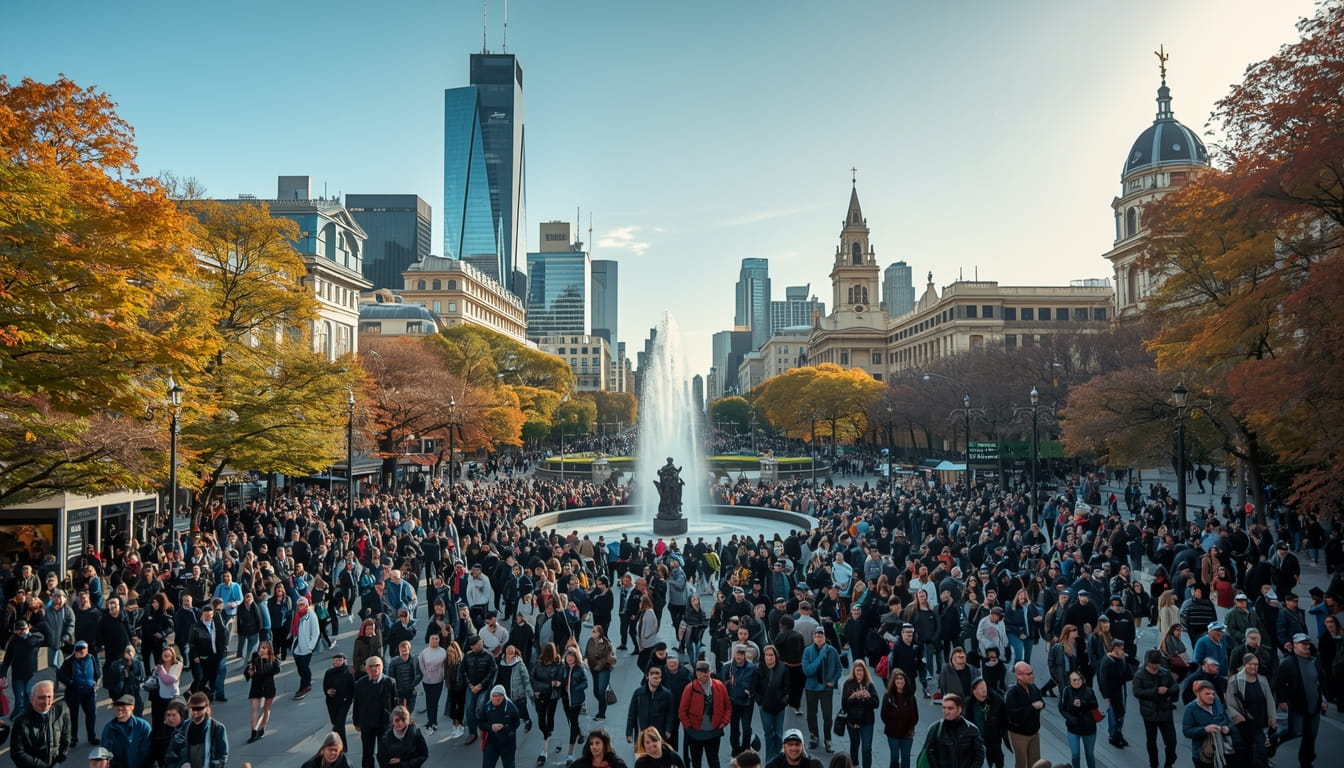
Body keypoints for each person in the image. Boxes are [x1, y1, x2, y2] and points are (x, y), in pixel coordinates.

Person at [1272, 632, 1327, 768]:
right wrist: (1282, 700)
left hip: (1315, 704)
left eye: (1307, 644)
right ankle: (1273, 740)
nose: (1306, 646)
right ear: (1294, 645)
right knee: (1295, 731)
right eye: (1303, 644)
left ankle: (1306, 760)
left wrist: (1324, 700)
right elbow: (1278, 683)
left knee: (1311, 734)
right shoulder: (1287, 663)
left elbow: (1319, 682)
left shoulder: (1314, 661)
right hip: (1297, 704)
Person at [1225, 653, 1275, 768]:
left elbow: (1269, 699)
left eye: (1256, 664)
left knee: (1260, 750)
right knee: (1246, 751)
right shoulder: (1235, 681)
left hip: (1260, 722)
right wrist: (1236, 715)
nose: (1254, 667)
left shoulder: (1262, 680)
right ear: (1245, 665)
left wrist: (1272, 716)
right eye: (1251, 664)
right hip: (1244, 723)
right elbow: (1229, 702)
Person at [678, 660, 730, 768]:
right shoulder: (690, 688)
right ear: (696, 674)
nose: (703, 675)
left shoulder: (719, 686)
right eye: (700, 673)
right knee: (696, 761)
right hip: (695, 732)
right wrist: (688, 727)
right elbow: (682, 711)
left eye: (705, 672)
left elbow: (728, 707)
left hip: (714, 730)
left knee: (714, 760)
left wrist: (723, 723)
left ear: (710, 672)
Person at [1131, 650, 1178, 768]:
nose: (1154, 670)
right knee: (1151, 742)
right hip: (1149, 713)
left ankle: (1170, 761)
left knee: (1171, 741)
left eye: (1156, 667)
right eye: (1152, 667)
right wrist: (1155, 691)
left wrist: (1168, 690)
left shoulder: (1165, 673)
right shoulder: (1139, 675)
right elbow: (1137, 692)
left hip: (1165, 712)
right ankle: (1154, 763)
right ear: (1147, 664)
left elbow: (1175, 687)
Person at [9, 681, 72, 768]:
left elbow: (66, 737)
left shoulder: (62, 711)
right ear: (32, 699)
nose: (46, 702)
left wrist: (60, 759)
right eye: (41, 697)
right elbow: (17, 753)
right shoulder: (21, 722)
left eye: (49, 697)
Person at [162, 692, 228, 768]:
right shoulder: (183, 728)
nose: (195, 712)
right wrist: (182, 764)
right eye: (192, 708)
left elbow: (222, 757)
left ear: (207, 709)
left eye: (199, 708)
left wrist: (210, 765)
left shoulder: (217, 728)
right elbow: (170, 755)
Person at [353, 656, 397, 768]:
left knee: (384, 753)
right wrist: (356, 722)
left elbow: (395, 703)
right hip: (366, 724)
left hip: (384, 723)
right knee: (367, 754)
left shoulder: (389, 682)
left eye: (377, 665)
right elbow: (357, 704)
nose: (374, 669)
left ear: (382, 667)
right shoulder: (359, 684)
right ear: (366, 668)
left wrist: (396, 722)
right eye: (371, 666)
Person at [801, 629, 841, 752]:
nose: (819, 638)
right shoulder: (807, 651)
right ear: (813, 638)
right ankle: (814, 736)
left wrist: (833, 681)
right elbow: (808, 671)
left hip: (826, 689)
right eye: (817, 636)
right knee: (811, 715)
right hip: (811, 687)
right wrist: (820, 657)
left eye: (821, 636)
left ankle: (828, 740)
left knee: (828, 716)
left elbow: (838, 668)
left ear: (824, 637)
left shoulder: (832, 651)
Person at [920, 693, 985, 768]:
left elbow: (979, 755)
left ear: (959, 709)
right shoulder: (935, 729)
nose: (946, 712)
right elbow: (929, 752)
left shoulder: (972, 730)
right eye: (944, 708)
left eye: (950, 708)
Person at [57, 639, 102, 746]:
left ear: (87, 650)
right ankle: (73, 738)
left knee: (91, 715)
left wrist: (95, 681)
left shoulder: (91, 658)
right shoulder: (69, 661)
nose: (80, 652)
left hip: (89, 692)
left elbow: (97, 671)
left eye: (83, 650)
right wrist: (70, 682)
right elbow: (60, 675)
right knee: (73, 716)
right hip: (73, 693)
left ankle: (92, 736)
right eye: (78, 650)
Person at [2, 619, 46, 719]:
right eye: (18, 630)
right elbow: (7, 658)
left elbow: (46, 634)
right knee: (19, 699)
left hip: (31, 675)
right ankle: (17, 717)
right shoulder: (14, 640)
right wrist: (3, 673)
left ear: (28, 628)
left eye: (23, 629)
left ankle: (25, 719)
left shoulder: (36, 638)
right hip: (17, 675)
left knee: (29, 698)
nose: (21, 632)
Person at [1180, 681, 1230, 768]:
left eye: (1213, 694)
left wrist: (1227, 728)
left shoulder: (1217, 703)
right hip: (1202, 755)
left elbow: (1226, 719)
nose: (1211, 696)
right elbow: (1187, 731)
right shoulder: (1190, 709)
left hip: (1222, 750)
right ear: (1198, 694)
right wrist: (1205, 729)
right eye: (1207, 694)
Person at [839, 660, 878, 768]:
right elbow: (844, 706)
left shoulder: (869, 684)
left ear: (865, 672)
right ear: (854, 671)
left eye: (861, 670)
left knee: (866, 748)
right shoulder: (848, 684)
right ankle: (854, 764)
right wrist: (853, 696)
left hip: (867, 721)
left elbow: (876, 704)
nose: (859, 673)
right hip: (853, 721)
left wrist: (867, 696)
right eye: (857, 670)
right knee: (855, 745)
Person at [1002, 662, 1042, 768]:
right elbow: (1012, 715)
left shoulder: (1033, 688)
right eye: (1028, 674)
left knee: (1035, 763)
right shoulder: (1012, 693)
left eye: (1032, 673)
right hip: (1019, 735)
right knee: (1021, 764)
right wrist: (1032, 707)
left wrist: (1039, 706)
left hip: (1034, 733)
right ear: (1019, 675)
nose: (1032, 676)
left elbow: (1041, 703)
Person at [753, 645, 790, 760]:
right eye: (767, 655)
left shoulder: (783, 668)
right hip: (765, 707)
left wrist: (784, 701)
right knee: (769, 734)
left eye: (771, 655)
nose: (769, 658)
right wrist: (760, 702)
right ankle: (769, 760)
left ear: (775, 656)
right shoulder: (759, 669)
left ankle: (778, 758)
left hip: (779, 707)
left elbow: (787, 686)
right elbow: (755, 688)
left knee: (778, 734)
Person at [627, 665, 677, 749]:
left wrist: (668, 729)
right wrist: (629, 733)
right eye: (653, 674)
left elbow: (671, 713)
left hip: (659, 735)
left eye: (658, 676)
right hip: (642, 733)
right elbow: (632, 714)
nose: (655, 678)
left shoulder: (667, 694)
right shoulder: (639, 693)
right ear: (647, 676)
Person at [1095, 639, 1132, 748]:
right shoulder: (1107, 661)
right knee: (1114, 714)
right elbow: (1103, 679)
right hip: (1112, 692)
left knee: (1121, 712)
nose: (1123, 651)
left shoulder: (1121, 659)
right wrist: (1106, 695)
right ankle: (1113, 735)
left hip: (1121, 689)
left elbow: (1128, 675)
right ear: (1115, 648)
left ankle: (1119, 733)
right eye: (1121, 649)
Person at [1057, 671, 1098, 768]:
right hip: (1073, 727)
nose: (1077, 682)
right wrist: (1071, 719)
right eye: (1074, 680)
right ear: (1070, 681)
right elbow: (1062, 708)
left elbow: (1095, 705)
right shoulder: (1066, 691)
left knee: (1089, 754)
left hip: (1088, 728)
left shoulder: (1088, 690)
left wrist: (1082, 704)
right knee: (1075, 754)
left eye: (1079, 679)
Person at [722, 644, 757, 757]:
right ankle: (735, 750)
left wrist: (750, 692)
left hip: (747, 703)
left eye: (742, 653)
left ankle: (745, 749)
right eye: (737, 653)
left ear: (745, 654)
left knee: (747, 728)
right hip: (733, 702)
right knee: (734, 728)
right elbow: (723, 683)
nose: (739, 656)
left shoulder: (752, 667)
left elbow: (755, 684)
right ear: (734, 654)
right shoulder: (727, 667)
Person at [99, 694, 151, 768]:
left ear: (132, 708)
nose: (119, 711)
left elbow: (149, 752)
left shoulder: (143, 726)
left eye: (123, 708)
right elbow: (104, 753)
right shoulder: (109, 728)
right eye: (117, 708)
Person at [879, 670, 918, 768]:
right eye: (896, 679)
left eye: (901, 678)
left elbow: (915, 716)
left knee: (906, 758)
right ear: (893, 681)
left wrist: (910, 728)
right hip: (892, 733)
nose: (899, 681)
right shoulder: (888, 696)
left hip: (907, 733)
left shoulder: (911, 697)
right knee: (894, 758)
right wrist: (891, 724)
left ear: (905, 681)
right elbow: (883, 714)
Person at [244, 640, 279, 743]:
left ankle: (262, 728)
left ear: (269, 649)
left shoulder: (273, 660)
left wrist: (266, 661)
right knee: (254, 708)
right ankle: (253, 731)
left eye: (265, 647)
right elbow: (247, 672)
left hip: (268, 686)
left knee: (266, 709)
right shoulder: (255, 658)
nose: (262, 649)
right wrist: (250, 671)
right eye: (261, 647)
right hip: (256, 685)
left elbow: (275, 670)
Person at [966, 678, 1006, 768]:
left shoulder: (996, 699)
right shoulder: (969, 703)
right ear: (974, 691)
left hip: (993, 735)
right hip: (977, 736)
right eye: (981, 688)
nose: (984, 689)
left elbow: (1004, 716)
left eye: (985, 686)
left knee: (997, 755)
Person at [479, 684, 522, 768]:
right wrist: (490, 726)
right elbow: (481, 723)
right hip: (491, 742)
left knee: (509, 765)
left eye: (498, 697)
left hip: (507, 743)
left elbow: (516, 723)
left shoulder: (511, 708)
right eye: (494, 696)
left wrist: (504, 727)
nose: (496, 699)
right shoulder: (487, 707)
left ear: (503, 697)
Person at [561, 647, 590, 763]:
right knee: (571, 720)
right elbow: (561, 679)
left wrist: (574, 688)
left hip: (576, 700)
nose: (569, 659)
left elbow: (585, 683)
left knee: (572, 725)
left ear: (575, 658)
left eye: (571, 657)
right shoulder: (564, 668)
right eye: (568, 657)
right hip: (566, 698)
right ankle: (581, 734)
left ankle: (570, 753)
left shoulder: (580, 669)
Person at [324, 653, 357, 752]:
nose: (337, 662)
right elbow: (325, 685)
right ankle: (334, 743)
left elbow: (353, 687)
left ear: (344, 661)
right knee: (335, 724)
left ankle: (343, 748)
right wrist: (327, 691)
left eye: (339, 660)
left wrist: (351, 698)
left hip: (344, 701)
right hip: (331, 701)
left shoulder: (348, 672)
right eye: (335, 660)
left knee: (340, 724)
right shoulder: (329, 672)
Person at [585, 626, 618, 722]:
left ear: (599, 633)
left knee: (601, 690)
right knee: (596, 691)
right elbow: (587, 652)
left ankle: (601, 714)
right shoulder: (590, 641)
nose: (592, 633)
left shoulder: (607, 643)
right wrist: (586, 660)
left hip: (604, 669)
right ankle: (603, 703)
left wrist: (599, 665)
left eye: (594, 631)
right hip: (593, 668)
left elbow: (609, 658)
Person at [292, 597, 322, 700]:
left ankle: (305, 686)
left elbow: (316, 632)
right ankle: (304, 686)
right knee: (300, 668)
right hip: (297, 646)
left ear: (306, 604)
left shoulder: (311, 615)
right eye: (299, 605)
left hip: (306, 647)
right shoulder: (297, 615)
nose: (300, 607)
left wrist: (310, 646)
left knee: (304, 667)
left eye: (302, 604)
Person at [389, 641, 423, 716]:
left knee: (410, 710)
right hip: (399, 690)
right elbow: (391, 678)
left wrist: (412, 685)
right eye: (402, 651)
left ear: (409, 650)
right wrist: (396, 689)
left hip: (411, 690)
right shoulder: (394, 662)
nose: (404, 653)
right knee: (401, 712)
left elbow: (420, 675)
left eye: (405, 651)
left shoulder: (414, 660)